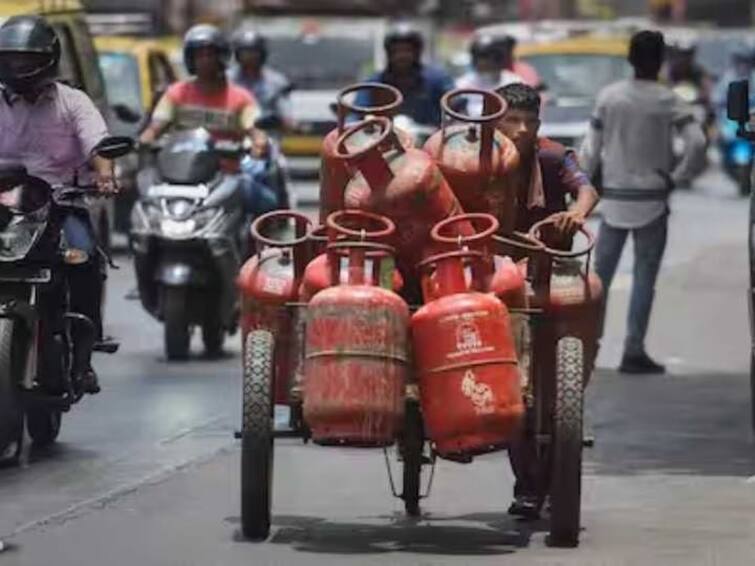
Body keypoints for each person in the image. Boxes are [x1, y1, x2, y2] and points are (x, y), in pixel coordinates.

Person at [494, 82, 600, 518]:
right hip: (498, 269)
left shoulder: (554, 156)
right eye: (511, 121)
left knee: (584, 303)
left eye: (529, 122)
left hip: (548, 265)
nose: (520, 130)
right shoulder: (479, 159)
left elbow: (587, 189)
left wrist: (576, 214)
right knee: (511, 384)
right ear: (494, 122)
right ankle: (527, 485)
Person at [0, 15, 120, 394]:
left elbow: (99, 146)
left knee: (83, 257)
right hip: (5, 207)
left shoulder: (73, 102)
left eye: (26, 59)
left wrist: (104, 174)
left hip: (60, 204)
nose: (18, 67)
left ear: (48, 59)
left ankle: (84, 353)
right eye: (11, 59)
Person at [579, 30, 706, 375]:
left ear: (629, 59)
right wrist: (676, 177)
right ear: (661, 61)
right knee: (643, 277)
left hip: (615, 199)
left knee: (599, 278)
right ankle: (633, 349)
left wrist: (584, 185)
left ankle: (590, 347)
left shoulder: (609, 96)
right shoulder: (669, 100)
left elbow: (590, 148)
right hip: (652, 199)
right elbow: (696, 142)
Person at [140, 24, 278, 216]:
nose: (204, 60)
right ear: (190, 59)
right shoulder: (176, 94)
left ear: (221, 57)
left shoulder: (240, 98)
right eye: (199, 55)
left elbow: (256, 132)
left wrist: (258, 145)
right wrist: (143, 142)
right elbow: (155, 128)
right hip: (178, 176)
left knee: (267, 203)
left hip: (225, 175)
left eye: (210, 54)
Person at [354, 22, 455, 127]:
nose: (401, 56)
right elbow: (356, 115)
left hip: (429, 140)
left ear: (417, 53)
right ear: (389, 53)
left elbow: (457, 110)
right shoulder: (374, 83)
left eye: (407, 51)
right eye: (396, 51)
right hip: (383, 140)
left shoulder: (438, 80)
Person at [455, 34, 523, 116]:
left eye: (486, 56)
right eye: (478, 56)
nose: (483, 62)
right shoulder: (462, 84)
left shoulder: (514, 82)